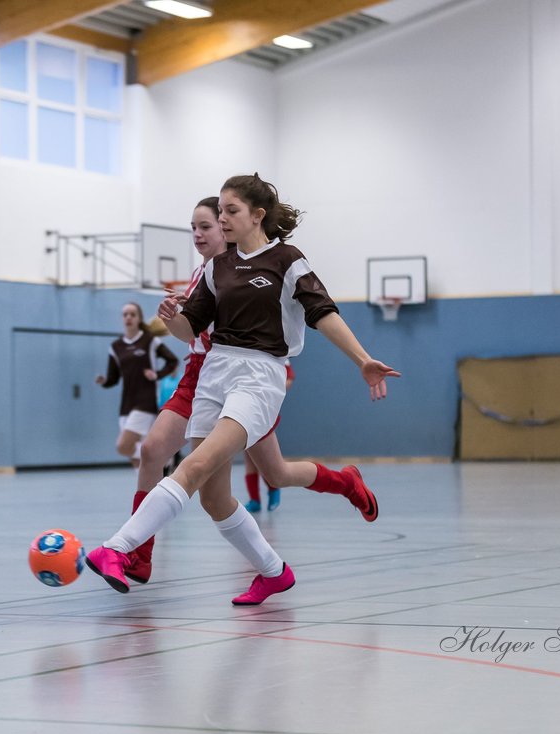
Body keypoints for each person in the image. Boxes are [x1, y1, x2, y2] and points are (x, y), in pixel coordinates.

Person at [88, 174, 399, 605]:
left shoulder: (287, 260)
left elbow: (322, 312)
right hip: (214, 373)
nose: (222, 219)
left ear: (257, 215)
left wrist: (362, 358)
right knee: (215, 500)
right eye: (220, 212)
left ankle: (118, 549)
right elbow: (189, 326)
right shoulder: (218, 267)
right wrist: (170, 316)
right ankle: (274, 573)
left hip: (259, 377)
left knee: (193, 467)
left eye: (230, 211)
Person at [95, 302, 178, 467]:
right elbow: (113, 378)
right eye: (125, 314)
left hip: (145, 402)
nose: (128, 317)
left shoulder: (150, 341)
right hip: (126, 405)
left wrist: (157, 375)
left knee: (123, 446)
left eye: (132, 314)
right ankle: (146, 491)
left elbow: (172, 361)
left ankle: (163, 457)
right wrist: (104, 381)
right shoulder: (115, 347)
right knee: (135, 458)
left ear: (139, 318)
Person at [243, 358, 294, 512]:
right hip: (245, 406)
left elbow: (289, 377)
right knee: (249, 456)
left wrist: (272, 389)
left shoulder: (277, 353)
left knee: (265, 460)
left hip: (264, 408)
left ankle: (273, 489)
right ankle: (254, 499)